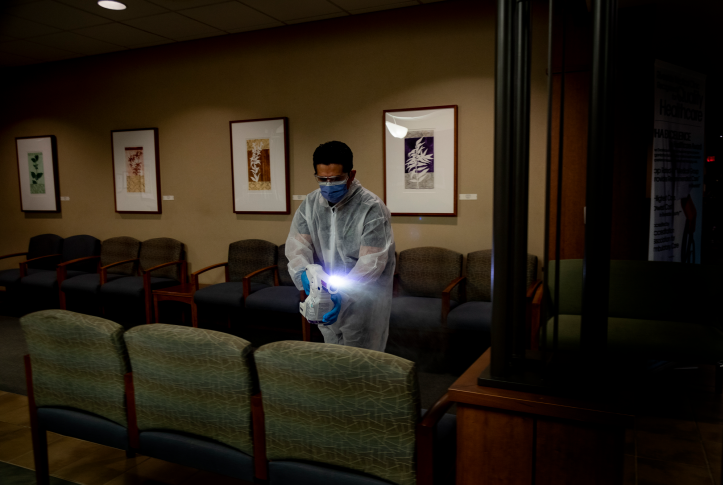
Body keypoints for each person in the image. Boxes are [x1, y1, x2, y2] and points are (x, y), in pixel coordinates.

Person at [285, 141, 395, 352]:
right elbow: (297, 246)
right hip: (326, 293)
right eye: (322, 179)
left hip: (363, 300)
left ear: (351, 175)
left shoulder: (371, 208)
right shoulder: (310, 204)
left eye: (335, 179)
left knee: (360, 361)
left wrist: (342, 295)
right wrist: (303, 273)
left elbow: (371, 264)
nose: (328, 185)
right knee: (333, 357)